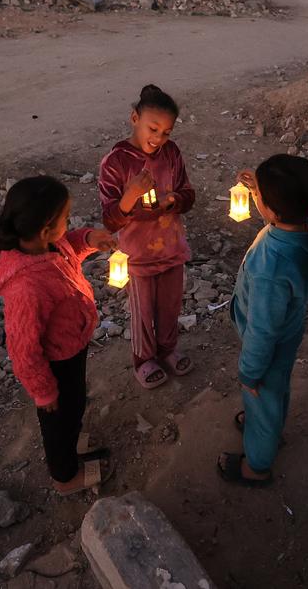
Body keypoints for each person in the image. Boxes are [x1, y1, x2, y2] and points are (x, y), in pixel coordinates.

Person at [0, 175, 117, 494]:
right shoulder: (27, 288)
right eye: (65, 218)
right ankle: (65, 476)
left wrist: (88, 239)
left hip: (71, 345)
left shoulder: (46, 244)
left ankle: (72, 440)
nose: (68, 224)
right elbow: (24, 350)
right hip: (55, 362)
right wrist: (44, 392)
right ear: (45, 229)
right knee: (58, 418)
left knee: (76, 402)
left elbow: (69, 246)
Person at [218, 154, 308, 487]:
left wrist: (249, 373)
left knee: (263, 394)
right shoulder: (304, 229)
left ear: (272, 210)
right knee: (277, 387)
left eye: (259, 196)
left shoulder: (269, 268)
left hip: (269, 345)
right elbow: (283, 217)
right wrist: (262, 188)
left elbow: (261, 331)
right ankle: (268, 426)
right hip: (288, 332)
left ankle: (257, 464)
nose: (254, 197)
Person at [98, 84, 197, 389]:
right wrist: (131, 195)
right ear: (134, 118)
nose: (158, 138)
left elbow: (188, 195)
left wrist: (172, 200)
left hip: (171, 246)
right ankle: (144, 359)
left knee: (170, 306)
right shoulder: (116, 163)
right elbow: (111, 219)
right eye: (153, 128)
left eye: (166, 132)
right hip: (138, 253)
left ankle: (167, 350)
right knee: (143, 312)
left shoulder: (171, 154)